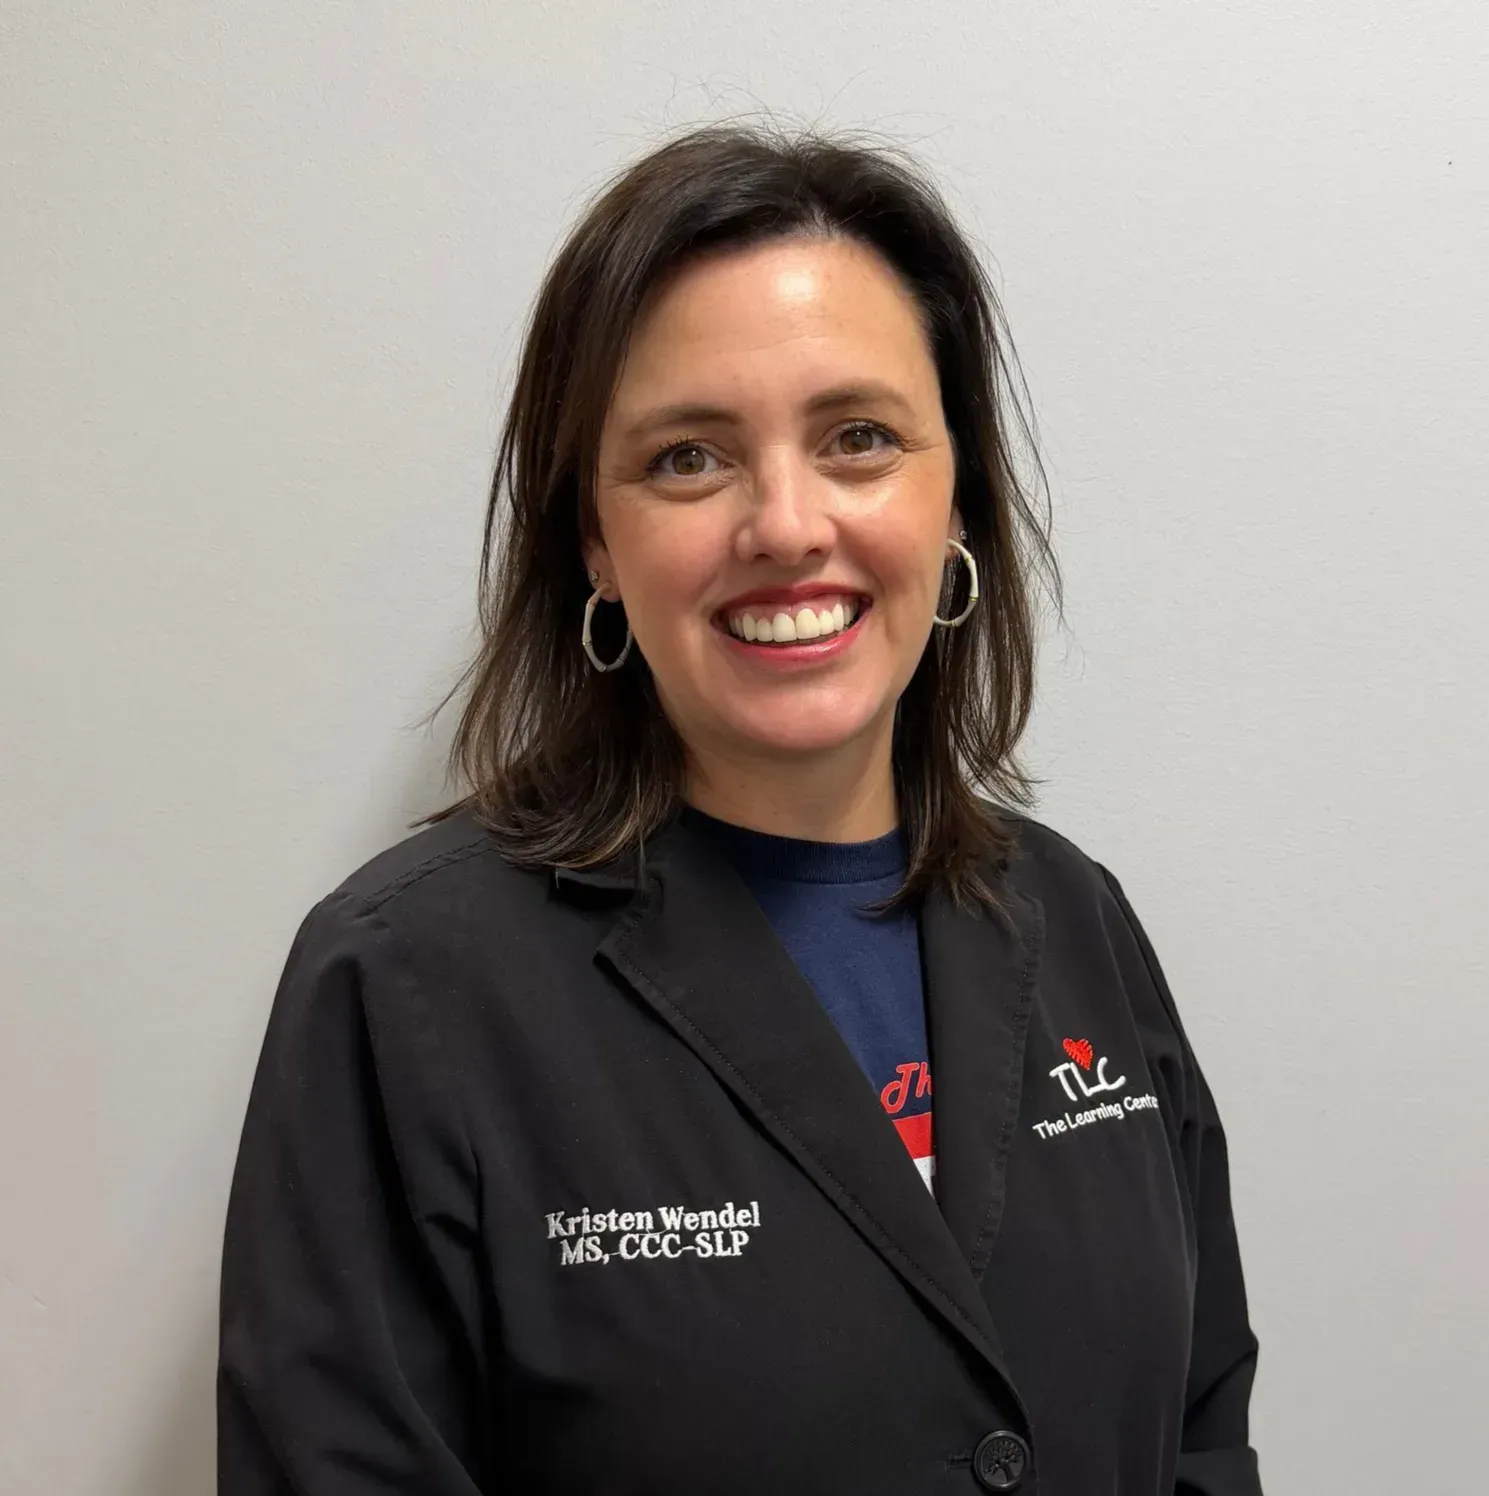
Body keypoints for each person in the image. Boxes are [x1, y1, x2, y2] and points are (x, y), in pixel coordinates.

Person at [217, 122, 1262, 1496]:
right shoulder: (404, 989)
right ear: (595, 540)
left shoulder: (1079, 920)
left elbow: (1200, 1435)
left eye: (860, 439)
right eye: (688, 459)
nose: (786, 525)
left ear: (957, 497)